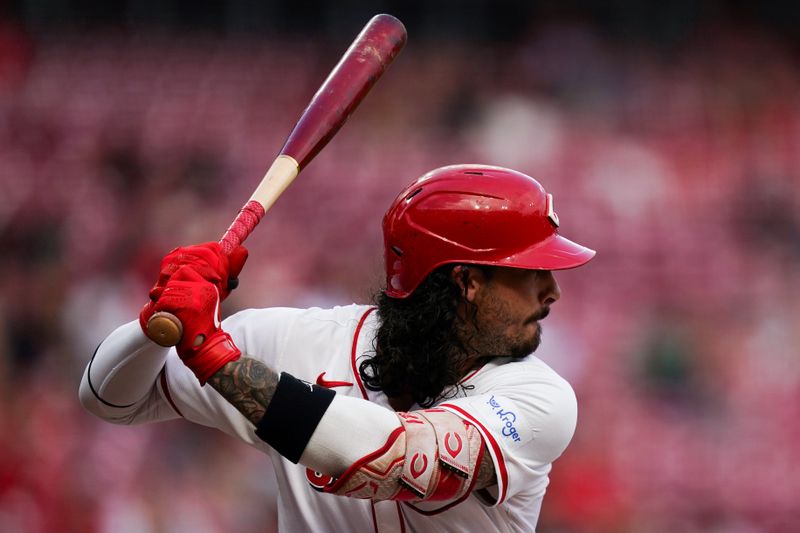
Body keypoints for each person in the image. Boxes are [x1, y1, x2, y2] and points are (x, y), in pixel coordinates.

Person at [80, 164, 595, 532]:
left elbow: (393, 459)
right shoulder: (295, 339)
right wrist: (158, 319)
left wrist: (216, 355)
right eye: (531, 273)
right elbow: (108, 398)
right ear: (465, 282)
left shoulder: (539, 397)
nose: (552, 292)